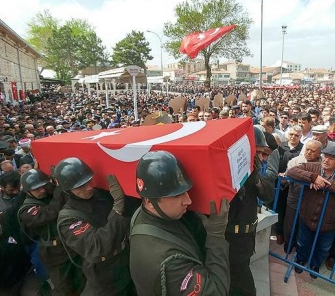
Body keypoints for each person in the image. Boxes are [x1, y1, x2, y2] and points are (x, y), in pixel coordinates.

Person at [129, 151, 230, 295]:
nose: (188, 201)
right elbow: (217, 292)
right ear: (149, 201)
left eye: (186, 191)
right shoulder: (170, 263)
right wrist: (216, 236)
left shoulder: (141, 215)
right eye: (177, 195)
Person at [54, 157, 135, 296]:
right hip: (105, 275)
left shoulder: (99, 195)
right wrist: (117, 209)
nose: (89, 187)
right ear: (68, 190)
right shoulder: (68, 220)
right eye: (81, 186)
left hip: (126, 261)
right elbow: (97, 246)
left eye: (88, 181)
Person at [285, 145, 335, 277]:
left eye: (331, 158)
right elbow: (291, 172)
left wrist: (324, 183)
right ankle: (300, 260)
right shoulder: (312, 166)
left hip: (329, 222)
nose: (326, 160)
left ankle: (315, 265)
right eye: (325, 156)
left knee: (323, 247)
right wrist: (313, 177)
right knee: (303, 242)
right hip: (307, 215)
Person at [19, 169, 85, 295]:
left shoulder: (47, 192)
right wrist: (59, 188)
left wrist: (57, 180)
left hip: (70, 246)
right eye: (37, 189)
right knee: (64, 287)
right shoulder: (26, 210)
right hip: (54, 253)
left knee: (80, 280)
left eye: (43, 186)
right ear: (28, 191)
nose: (42, 190)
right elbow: (51, 212)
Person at [226, 126, 274, 295]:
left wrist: (254, 179)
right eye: (258, 152)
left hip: (246, 239)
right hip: (231, 241)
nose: (262, 158)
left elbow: (268, 193)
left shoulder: (254, 174)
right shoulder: (229, 173)